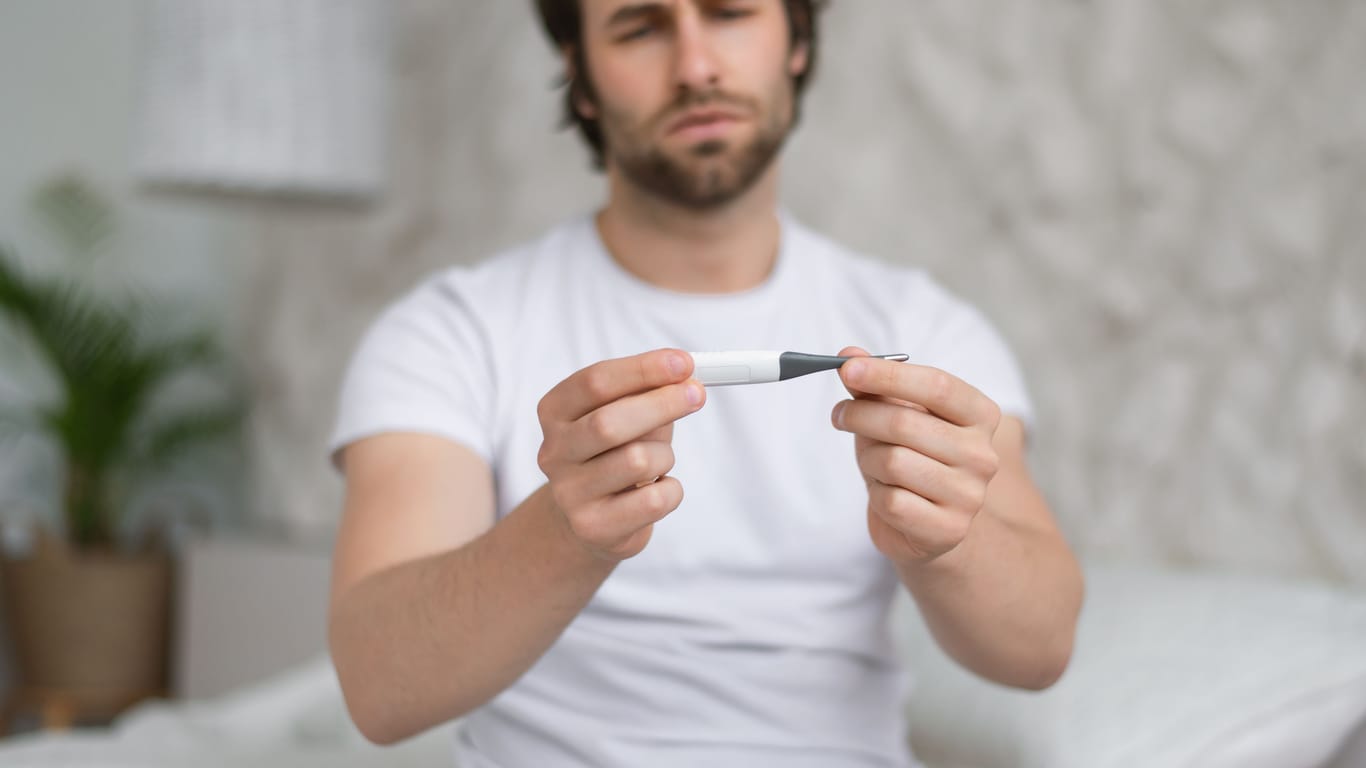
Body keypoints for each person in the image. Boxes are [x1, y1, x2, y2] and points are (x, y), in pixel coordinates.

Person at [326, 1, 1084, 766]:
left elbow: (1041, 649)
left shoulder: (923, 330)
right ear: (579, 76)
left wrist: (949, 542)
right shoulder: (452, 332)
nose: (695, 67)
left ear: (796, 40)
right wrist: (564, 531)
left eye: (728, 13)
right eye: (640, 27)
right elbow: (381, 689)